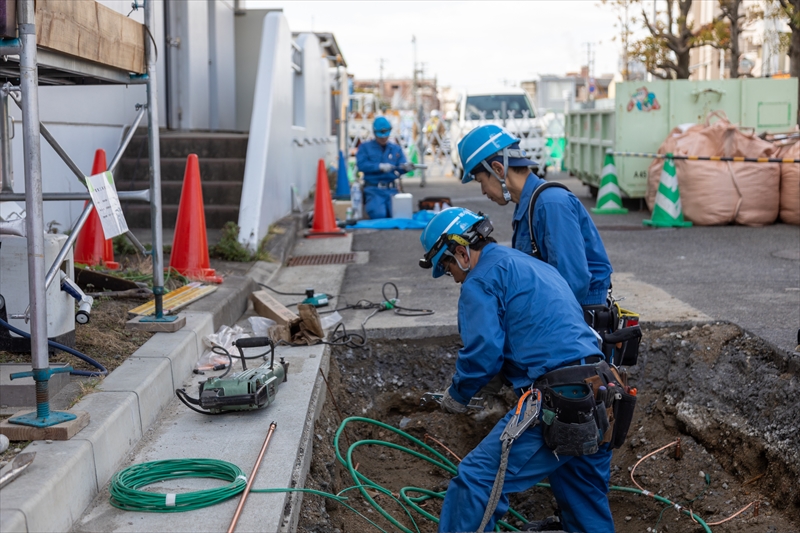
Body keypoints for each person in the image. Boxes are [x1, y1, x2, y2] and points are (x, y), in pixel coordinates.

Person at [419, 207, 624, 533]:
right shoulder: (529, 265)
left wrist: (458, 394)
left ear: (461, 252)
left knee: (477, 481)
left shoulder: (480, 280)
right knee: (584, 499)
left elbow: (482, 354)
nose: (452, 276)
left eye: (446, 266)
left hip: (559, 399)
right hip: (600, 392)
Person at [457, 124, 612, 309]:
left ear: (498, 169)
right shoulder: (528, 204)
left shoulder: (551, 204)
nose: (483, 191)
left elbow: (573, 283)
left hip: (577, 314)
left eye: (481, 181)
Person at [356, 116, 413, 219]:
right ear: (374, 132)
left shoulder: (395, 148)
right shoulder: (365, 147)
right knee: (379, 215)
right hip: (374, 190)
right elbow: (361, 165)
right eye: (380, 135)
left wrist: (406, 168)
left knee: (400, 215)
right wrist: (378, 167)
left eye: (385, 135)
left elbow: (400, 166)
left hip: (392, 190)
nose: (383, 138)